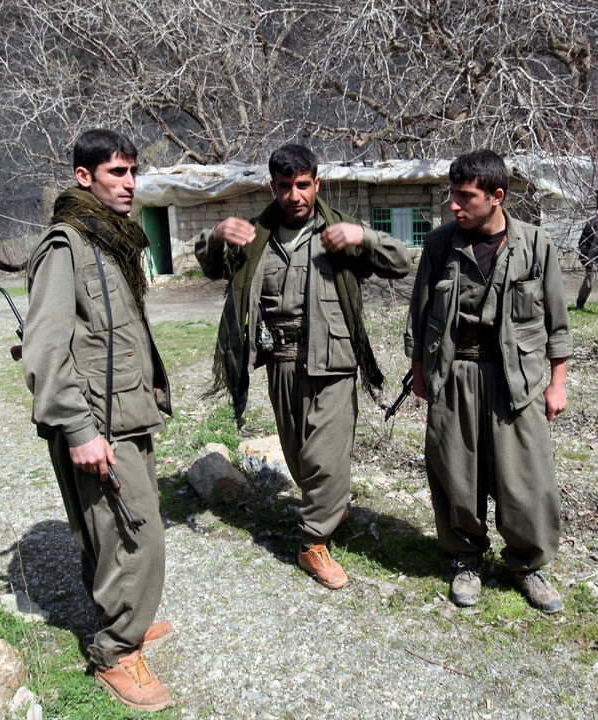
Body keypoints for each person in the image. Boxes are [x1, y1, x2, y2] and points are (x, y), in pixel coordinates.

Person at [195, 143, 411, 590]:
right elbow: (211, 268)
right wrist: (216, 235)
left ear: (317, 181)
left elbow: (401, 262)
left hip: (333, 362)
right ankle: (330, 507)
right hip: (283, 362)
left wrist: (364, 237)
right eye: (284, 186)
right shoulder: (254, 236)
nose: (294, 195)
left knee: (324, 459)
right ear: (272, 186)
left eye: (303, 185)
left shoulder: (338, 232)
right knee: (298, 457)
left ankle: (312, 541)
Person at [22, 129, 174, 712]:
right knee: (136, 535)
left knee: (112, 531)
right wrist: (79, 430)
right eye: (117, 173)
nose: (130, 183)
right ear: (84, 177)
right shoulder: (67, 245)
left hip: (125, 410)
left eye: (133, 172)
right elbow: (44, 348)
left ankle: (125, 617)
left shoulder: (107, 240)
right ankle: (117, 650)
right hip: (97, 421)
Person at [405, 150, 572, 614]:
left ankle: (527, 565)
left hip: (515, 380)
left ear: (497, 196)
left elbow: (557, 324)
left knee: (527, 480)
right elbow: (420, 318)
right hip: (455, 373)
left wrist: (557, 385)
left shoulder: (536, 245)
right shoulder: (441, 245)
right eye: (452, 195)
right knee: (456, 473)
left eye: (465, 197)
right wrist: (421, 376)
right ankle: (466, 560)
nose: (454, 206)